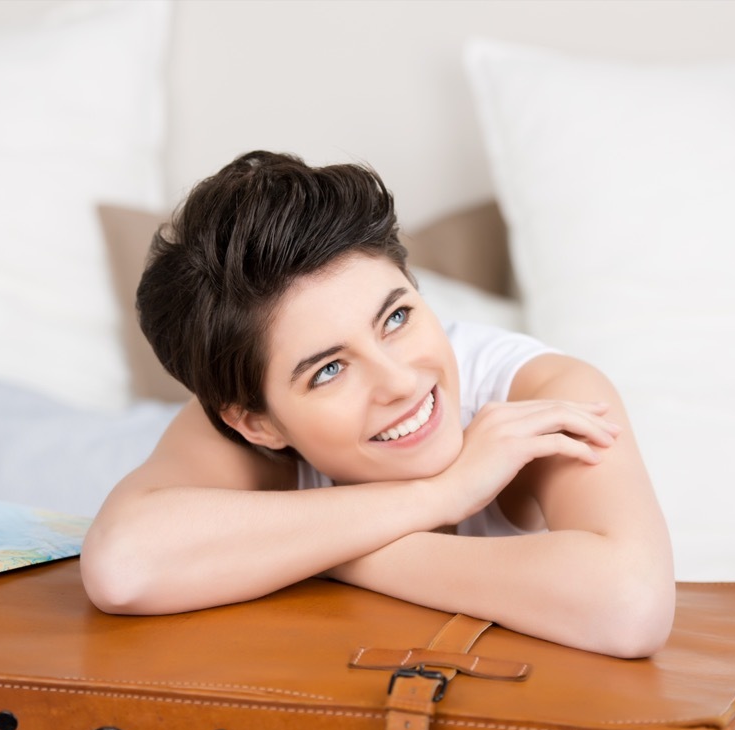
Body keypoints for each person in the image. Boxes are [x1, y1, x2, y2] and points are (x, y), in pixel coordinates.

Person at [80, 151, 675, 659]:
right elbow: (123, 564)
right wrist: (438, 495)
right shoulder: (242, 423)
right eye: (330, 369)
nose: (398, 381)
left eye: (396, 317)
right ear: (257, 422)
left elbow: (631, 604)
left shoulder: (540, 391)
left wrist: (328, 555)